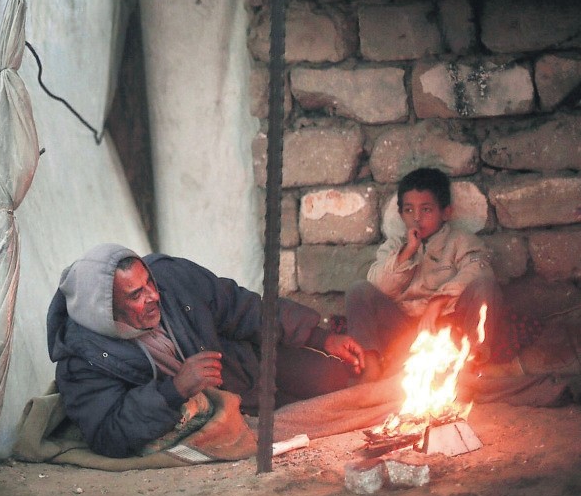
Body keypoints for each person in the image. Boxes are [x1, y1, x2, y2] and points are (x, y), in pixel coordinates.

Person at [47, 243, 366, 458]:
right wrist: (174, 390)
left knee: (353, 382)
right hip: (229, 417)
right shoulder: (82, 359)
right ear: (105, 308)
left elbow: (245, 309)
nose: (153, 296)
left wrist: (320, 337)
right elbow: (107, 433)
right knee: (340, 415)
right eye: (135, 295)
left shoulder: (174, 278)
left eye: (149, 284)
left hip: (252, 370)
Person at [345, 167, 502, 383]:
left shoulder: (460, 241)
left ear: (446, 212)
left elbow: (478, 268)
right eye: (409, 210)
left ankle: (471, 367)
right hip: (404, 332)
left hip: (449, 329)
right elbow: (378, 287)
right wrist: (406, 253)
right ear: (401, 214)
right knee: (358, 290)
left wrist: (438, 302)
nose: (417, 218)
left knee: (485, 285)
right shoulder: (393, 247)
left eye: (426, 210)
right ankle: (370, 371)